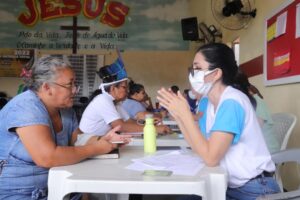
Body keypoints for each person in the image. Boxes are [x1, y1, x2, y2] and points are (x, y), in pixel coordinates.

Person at [157, 43, 280, 199]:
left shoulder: (232, 102)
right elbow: (199, 147)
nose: (192, 74)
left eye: (197, 68)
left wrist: (186, 114)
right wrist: (179, 116)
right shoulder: (209, 103)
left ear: (216, 74)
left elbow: (210, 157)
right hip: (227, 184)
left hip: (253, 188)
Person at [0, 56, 131, 199]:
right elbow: (48, 157)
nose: (75, 90)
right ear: (47, 87)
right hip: (17, 194)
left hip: (57, 187)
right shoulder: (25, 107)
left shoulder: (65, 109)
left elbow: (78, 139)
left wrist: (104, 139)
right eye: (70, 85)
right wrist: (98, 148)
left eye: (75, 84)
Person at [79, 60, 171, 136]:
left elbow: (129, 122)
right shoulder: (103, 100)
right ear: (113, 88)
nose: (127, 91)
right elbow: (121, 126)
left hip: (98, 141)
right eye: (124, 87)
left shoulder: (116, 103)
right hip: (87, 141)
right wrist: (154, 129)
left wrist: (150, 125)